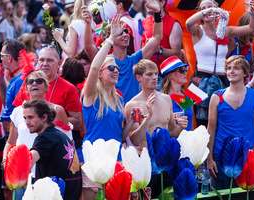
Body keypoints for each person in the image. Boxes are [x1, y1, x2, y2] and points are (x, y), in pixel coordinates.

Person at [185, 0, 254, 127]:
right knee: (201, 121)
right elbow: (188, 22)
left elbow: (252, 28)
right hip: (202, 80)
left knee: (223, 120)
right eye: (204, 8)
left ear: (218, 10)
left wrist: (252, 12)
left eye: (211, 7)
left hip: (223, 80)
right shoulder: (198, 30)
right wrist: (207, 11)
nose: (208, 10)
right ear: (200, 13)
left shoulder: (226, 31)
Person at [80, 14, 130, 199]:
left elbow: (119, 135)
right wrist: (110, 39)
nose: (115, 70)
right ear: (100, 74)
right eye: (110, 68)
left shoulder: (119, 99)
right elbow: (93, 68)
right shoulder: (91, 95)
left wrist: (133, 123)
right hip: (93, 158)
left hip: (116, 157)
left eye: (117, 68)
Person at [124, 59, 188, 198]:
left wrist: (181, 128)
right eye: (149, 74)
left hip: (166, 160)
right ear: (138, 78)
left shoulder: (166, 99)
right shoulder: (132, 105)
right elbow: (134, 140)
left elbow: (171, 131)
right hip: (146, 162)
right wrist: (148, 116)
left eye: (155, 74)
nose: (154, 77)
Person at [3, 70, 69, 199]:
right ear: (26, 88)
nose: (34, 84)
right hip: (21, 173)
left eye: (39, 81)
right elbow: (11, 142)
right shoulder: (17, 112)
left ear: (46, 86)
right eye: (30, 82)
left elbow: (67, 142)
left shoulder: (57, 110)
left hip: (47, 172)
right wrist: (6, 163)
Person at [83, 0, 163, 104]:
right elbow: (88, 46)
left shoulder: (135, 59)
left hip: (133, 114)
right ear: (110, 37)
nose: (125, 35)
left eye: (126, 31)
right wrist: (88, 23)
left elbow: (157, 38)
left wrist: (157, 12)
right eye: (120, 33)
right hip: (113, 114)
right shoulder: (103, 60)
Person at [207, 55, 254, 190]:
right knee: (222, 194)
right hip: (220, 155)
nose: (231, 71)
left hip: (247, 156)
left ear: (245, 74)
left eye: (236, 68)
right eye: (228, 68)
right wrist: (209, 159)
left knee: (245, 195)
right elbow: (210, 130)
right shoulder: (216, 96)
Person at [12, 45, 82, 148]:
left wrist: (51, 119)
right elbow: (17, 117)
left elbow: (77, 123)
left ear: (59, 63)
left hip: (54, 146)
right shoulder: (28, 84)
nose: (45, 64)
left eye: (49, 60)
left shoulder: (69, 88)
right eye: (41, 60)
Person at [24, 99, 81, 200]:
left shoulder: (45, 138)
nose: (27, 122)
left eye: (30, 117)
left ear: (44, 117)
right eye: (25, 118)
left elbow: (29, 160)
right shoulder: (61, 135)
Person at [141, 0, 183, 69]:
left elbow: (176, 54)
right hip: (146, 72)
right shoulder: (143, 22)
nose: (147, 4)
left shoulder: (173, 24)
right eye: (146, 2)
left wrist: (158, 49)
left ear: (162, 2)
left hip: (164, 73)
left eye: (151, 1)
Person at [0, 40, 25, 134]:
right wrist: (0, 79)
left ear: (9, 58)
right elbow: (7, 103)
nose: (1, 59)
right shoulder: (15, 78)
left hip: (15, 134)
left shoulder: (21, 80)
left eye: (2, 55)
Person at [160, 56, 193, 131]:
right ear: (170, 75)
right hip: (171, 141)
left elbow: (191, 125)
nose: (185, 73)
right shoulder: (162, 99)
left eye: (185, 69)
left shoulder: (188, 96)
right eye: (181, 70)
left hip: (187, 141)